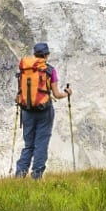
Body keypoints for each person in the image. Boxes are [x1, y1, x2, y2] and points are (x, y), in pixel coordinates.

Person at [14, 41, 69, 179]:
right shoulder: (50, 71)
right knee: (41, 143)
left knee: (29, 145)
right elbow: (56, 94)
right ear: (47, 54)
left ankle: (20, 175)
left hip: (26, 110)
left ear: (35, 54)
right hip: (44, 111)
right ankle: (36, 176)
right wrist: (67, 93)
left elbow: (19, 94)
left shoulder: (25, 69)